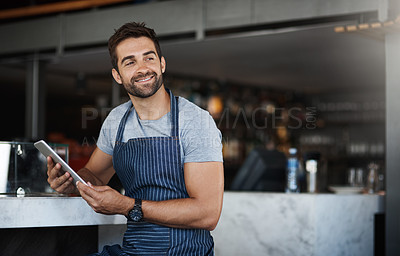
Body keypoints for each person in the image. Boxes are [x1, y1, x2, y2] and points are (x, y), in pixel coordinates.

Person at [47, 22, 224, 255]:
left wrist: (127, 206)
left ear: (162, 64)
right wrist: (72, 182)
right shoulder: (117, 120)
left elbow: (207, 213)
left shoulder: (195, 121)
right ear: (117, 75)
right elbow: (95, 176)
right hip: (134, 250)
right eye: (130, 62)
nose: (142, 68)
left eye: (149, 58)